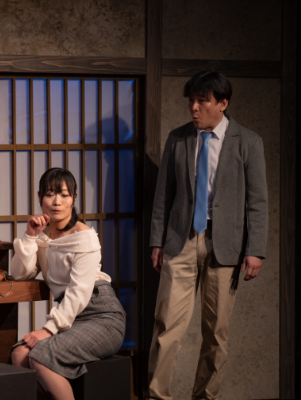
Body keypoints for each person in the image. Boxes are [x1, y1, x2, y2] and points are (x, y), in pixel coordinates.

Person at [147, 71, 268, 399]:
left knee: (216, 333)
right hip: (180, 240)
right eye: (191, 100)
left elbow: (257, 202)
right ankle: (157, 396)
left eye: (202, 101)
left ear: (222, 104)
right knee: (166, 326)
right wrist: (157, 241)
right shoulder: (178, 138)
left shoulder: (248, 142)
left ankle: (205, 397)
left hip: (225, 245)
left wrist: (255, 249)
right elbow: (163, 196)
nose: (194, 108)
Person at [9, 168, 126, 400]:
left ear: (73, 199)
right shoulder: (44, 237)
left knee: (40, 357)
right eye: (50, 194)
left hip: (102, 317)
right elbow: (20, 274)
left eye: (64, 195)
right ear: (39, 196)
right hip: (71, 320)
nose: (56, 202)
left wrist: (48, 329)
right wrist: (30, 236)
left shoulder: (84, 236)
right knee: (19, 353)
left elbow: (79, 292)